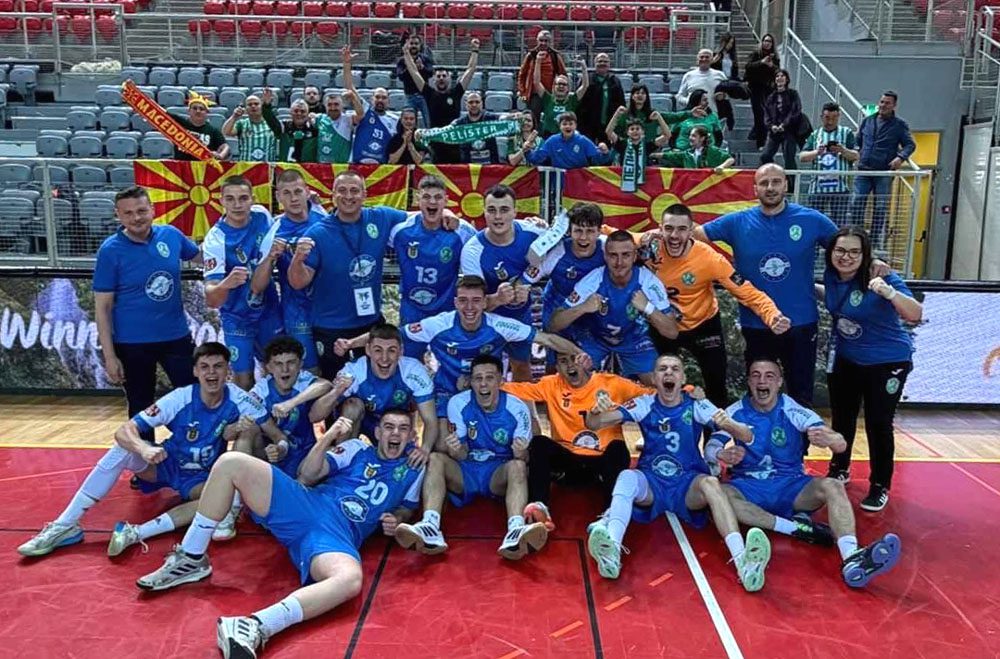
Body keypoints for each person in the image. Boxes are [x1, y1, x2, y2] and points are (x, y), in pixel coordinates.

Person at [133, 410, 426, 659]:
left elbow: (405, 509)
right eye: (389, 427)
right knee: (231, 462)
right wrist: (328, 437)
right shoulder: (357, 449)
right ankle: (191, 556)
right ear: (378, 432)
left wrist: (397, 519)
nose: (395, 433)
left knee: (350, 580)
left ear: (412, 436)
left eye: (403, 429)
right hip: (307, 504)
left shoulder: (415, 469)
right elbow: (307, 474)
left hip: (337, 536)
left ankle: (256, 625)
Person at [17, 342, 272, 558]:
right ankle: (65, 525)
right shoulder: (180, 398)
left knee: (217, 497)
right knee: (122, 449)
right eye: (205, 367)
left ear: (228, 371)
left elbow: (269, 428)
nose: (212, 373)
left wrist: (275, 445)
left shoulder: (239, 399)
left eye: (218, 366)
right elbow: (124, 431)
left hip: (201, 478)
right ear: (195, 371)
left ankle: (137, 532)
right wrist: (144, 448)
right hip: (166, 463)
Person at [710, 357, 903, 587]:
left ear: (779, 382)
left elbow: (840, 444)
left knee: (833, 485)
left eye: (769, 376)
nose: (762, 381)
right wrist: (721, 454)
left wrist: (831, 439)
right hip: (749, 487)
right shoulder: (735, 412)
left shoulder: (792, 409)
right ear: (749, 382)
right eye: (756, 375)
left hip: (791, 486)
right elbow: (711, 447)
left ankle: (851, 558)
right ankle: (796, 529)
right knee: (718, 496)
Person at [583, 354, 770, 590]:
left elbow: (747, 436)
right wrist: (595, 412)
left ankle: (744, 561)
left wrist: (729, 424)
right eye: (662, 369)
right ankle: (611, 551)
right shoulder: (644, 404)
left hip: (687, 483)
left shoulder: (697, 405)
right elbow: (594, 424)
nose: (669, 372)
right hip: (653, 482)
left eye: (675, 369)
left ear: (682, 378)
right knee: (626, 476)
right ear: (654, 378)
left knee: (711, 483)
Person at [695, 164, 838, 407]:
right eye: (764, 183)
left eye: (776, 182)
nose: (770, 188)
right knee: (759, 395)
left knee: (801, 394)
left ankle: (799, 434)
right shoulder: (737, 222)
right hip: (756, 324)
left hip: (801, 323)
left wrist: (874, 263)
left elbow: (847, 245)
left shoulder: (811, 219)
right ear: (755, 189)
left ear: (786, 185)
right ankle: (758, 433)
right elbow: (694, 235)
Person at [394, 355, 551, 559]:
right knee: (435, 458)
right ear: (471, 382)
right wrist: (455, 449)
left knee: (518, 466)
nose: (483, 383)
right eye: (478, 378)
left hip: (498, 473)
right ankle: (430, 525)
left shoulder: (517, 408)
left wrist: (521, 451)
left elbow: (523, 458)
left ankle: (516, 529)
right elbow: (460, 454)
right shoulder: (458, 403)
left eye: (489, 377)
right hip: (467, 469)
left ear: (500, 380)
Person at [395, 275, 583, 434]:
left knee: (525, 436)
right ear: (455, 303)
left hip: (487, 392)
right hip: (447, 392)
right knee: (442, 447)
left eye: (476, 300)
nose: (469, 307)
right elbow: (392, 335)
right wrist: (377, 352)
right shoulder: (437, 325)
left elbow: (548, 340)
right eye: (463, 300)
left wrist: (581, 354)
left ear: (485, 302)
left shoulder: (500, 325)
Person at [643, 204, 789, 408]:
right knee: (657, 384)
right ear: (660, 229)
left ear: (691, 230)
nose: (674, 236)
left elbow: (746, 291)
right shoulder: (647, 245)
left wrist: (772, 314)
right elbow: (610, 236)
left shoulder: (710, 258)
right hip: (663, 325)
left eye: (682, 229)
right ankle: (662, 427)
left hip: (703, 324)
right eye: (669, 229)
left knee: (716, 384)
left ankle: (717, 428)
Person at [821, 227, 921, 510]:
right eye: (841, 250)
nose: (846, 257)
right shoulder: (831, 276)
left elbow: (915, 313)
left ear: (865, 255)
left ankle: (879, 485)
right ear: (831, 253)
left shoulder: (882, 276)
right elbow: (836, 300)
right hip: (847, 359)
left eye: (855, 252)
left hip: (887, 361)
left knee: (878, 422)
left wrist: (890, 293)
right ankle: (839, 468)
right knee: (843, 418)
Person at [287, 171, 423, 379]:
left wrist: (448, 215)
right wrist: (297, 259)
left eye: (354, 190)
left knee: (375, 380)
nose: (348, 196)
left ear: (364, 194)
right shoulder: (317, 233)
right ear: (333, 195)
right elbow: (297, 283)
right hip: (331, 327)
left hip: (371, 324)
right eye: (342, 190)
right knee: (334, 384)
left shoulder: (381, 217)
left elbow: (419, 218)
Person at [93, 187, 201, 442]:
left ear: (152, 209)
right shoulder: (110, 250)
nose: (136, 218)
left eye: (141, 210)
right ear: (118, 215)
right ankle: (144, 459)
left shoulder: (171, 235)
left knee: (193, 396)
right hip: (132, 344)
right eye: (128, 213)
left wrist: (236, 251)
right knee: (140, 404)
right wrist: (110, 356)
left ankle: (196, 450)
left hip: (176, 337)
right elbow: (102, 308)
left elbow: (203, 257)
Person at [504, 352, 647, 506]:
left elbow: (652, 395)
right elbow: (516, 389)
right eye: (563, 361)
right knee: (539, 443)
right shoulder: (550, 384)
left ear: (585, 361)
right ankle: (538, 506)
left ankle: (611, 511)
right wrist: (490, 384)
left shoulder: (613, 383)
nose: (570, 365)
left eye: (574, 359)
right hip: (567, 465)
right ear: (557, 367)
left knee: (618, 448)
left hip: (603, 465)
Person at [549, 230, 679, 385]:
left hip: (634, 340)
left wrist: (648, 307)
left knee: (658, 383)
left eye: (626, 255)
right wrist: (583, 307)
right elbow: (553, 324)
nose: (619, 262)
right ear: (605, 256)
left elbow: (672, 332)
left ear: (634, 256)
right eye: (613, 255)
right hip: (594, 338)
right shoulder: (592, 281)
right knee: (576, 380)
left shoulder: (649, 282)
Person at [202, 176, 283, 390]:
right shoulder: (216, 239)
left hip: (268, 311)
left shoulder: (262, 215)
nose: (237, 205)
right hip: (237, 317)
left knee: (277, 372)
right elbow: (211, 297)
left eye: (243, 198)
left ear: (252, 199)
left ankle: (274, 412)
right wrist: (225, 284)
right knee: (244, 380)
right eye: (230, 199)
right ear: (221, 201)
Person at [460, 184, 547, 381]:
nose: (498, 217)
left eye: (504, 210)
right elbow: (472, 304)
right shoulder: (472, 251)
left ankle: (524, 403)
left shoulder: (534, 233)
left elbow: (559, 248)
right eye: (492, 210)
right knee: (485, 371)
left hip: (520, 315)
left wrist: (528, 285)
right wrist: (498, 299)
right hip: (486, 320)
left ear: (515, 212)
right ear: (484, 212)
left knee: (522, 367)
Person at [388, 175, 477, 358]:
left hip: (446, 308)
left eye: (438, 197)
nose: (432, 202)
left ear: (446, 200)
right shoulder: (400, 230)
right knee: (410, 359)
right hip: (412, 308)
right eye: (426, 197)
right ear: (418, 199)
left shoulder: (461, 230)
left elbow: (485, 244)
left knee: (451, 360)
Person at [252, 169, 325, 372]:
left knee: (334, 368)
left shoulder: (323, 218)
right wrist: (271, 257)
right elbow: (257, 286)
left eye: (298, 191)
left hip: (328, 309)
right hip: (297, 312)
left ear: (307, 192)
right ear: (278, 197)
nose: (293, 198)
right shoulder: (274, 232)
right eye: (286, 193)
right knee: (309, 372)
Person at [327, 323, 439, 452]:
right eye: (378, 350)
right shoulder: (354, 371)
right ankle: (343, 456)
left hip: (395, 424)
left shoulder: (414, 371)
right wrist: (336, 392)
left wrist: (424, 450)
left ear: (401, 351)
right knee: (352, 406)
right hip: (363, 420)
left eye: (391, 350)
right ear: (368, 350)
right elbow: (315, 415)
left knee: (408, 459)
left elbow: (430, 420)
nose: (384, 358)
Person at [250, 336, 335, 479]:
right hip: (272, 454)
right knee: (249, 429)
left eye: (291, 362)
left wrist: (291, 403)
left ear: (300, 364)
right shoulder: (261, 390)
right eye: (278, 363)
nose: (285, 369)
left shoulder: (303, 380)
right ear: (268, 367)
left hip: (305, 452)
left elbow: (325, 385)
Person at [850, 91, 916, 249]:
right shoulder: (868, 121)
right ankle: (857, 237)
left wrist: (900, 158)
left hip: (884, 171)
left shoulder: (899, 125)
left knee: (880, 206)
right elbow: (858, 140)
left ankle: (873, 242)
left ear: (894, 105)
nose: (883, 105)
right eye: (881, 102)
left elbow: (910, 144)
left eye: (887, 103)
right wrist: (857, 153)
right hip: (863, 169)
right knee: (857, 201)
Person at [408, 37, 481, 164]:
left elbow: (470, 69)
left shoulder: (456, 93)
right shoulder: (429, 93)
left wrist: (475, 51)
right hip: (436, 145)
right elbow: (413, 72)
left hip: (455, 144)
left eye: (444, 76)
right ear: (434, 79)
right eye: (438, 76)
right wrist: (406, 54)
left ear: (449, 78)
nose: (441, 78)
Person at [799, 102, 859, 227]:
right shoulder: (815, 135)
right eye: (827, 118)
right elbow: (802, 157)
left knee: (839, 225)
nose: (830, 122)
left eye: (834, 118)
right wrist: (817, 152)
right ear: (821, 117)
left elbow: (856, 156)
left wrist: (842, 150)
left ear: (838, 117)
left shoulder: (847, 133)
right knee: (814, 222)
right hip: (817, 188)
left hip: (840, 189)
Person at [342, 47, 399, 164]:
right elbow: (350, 87)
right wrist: (347, 63)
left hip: (381, 168)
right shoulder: (365, 109)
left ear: (389, 101)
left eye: (384, 98)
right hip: (358, 164)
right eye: (377, 97)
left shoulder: (395, 120)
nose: (380, 100)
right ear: (372, 99)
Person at [448, 92, 519, 164]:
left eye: (477, 102)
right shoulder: (460, 123)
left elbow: (502, 117)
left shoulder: (489, 118)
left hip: (490, 166)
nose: (474, 105)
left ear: (482, 104)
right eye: (471, 102)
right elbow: (448, 129)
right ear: (466, 105)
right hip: (468, 167)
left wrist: (513, 116)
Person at [606, 84, 688, 147]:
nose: (640, 95)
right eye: (637, 93)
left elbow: (673, 120)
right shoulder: (624, 114)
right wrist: (616, 114)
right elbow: (609, 132)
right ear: (632, 96)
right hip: (626, 148)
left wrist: (690, 113)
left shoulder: (653, 114)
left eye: (643, 93)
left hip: (647, 149)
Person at [525, 111, 611, 169]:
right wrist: (527, 150)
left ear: (575, 126)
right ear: (559, 126)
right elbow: (537, 158)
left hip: (579, 183)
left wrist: (605, 152)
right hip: (559, 184)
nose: (567, 126)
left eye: (570, 124)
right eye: (564, 124)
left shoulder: (583, 140)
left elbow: (598, 159)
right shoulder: (552, 141)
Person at [517, 30, 567, 128]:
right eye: (541, 40)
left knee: (550, 120)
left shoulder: (555, 56)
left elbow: (563, 74)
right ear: (537, 41)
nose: (543, 43)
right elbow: (522, 75)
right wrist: (523, 93)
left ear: (550, 42)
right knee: (533, 120)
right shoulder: (531, 55)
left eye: (546, 40)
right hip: (533, 95)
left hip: (550, 95)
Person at [760, 69, 802, 180]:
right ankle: (775, 176)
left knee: (789, 158)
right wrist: (771, 126)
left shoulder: (793, 94)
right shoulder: (771, 97)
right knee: (765, 156)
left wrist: (784, 124)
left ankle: (792, 185)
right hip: (774, 132)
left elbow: (795, 111)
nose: (779, 78)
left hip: (788, 131)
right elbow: (766, 114)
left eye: (782, 76)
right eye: (777, 76)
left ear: (787, 79)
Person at [577, 52, 627, 144]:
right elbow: (578, 101)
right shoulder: (587, 79)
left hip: (608, 124)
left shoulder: (615, 81)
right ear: (594, 64)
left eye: (605, 61)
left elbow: (621, 103)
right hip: (588, 124)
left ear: (609, 64)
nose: (602, 63)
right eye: (599, 61)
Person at [535, 56, 588, 138]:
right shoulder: (547, 98)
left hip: (567, 136)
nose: (561, 86)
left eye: (564, 84)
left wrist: (583, 67)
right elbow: (536, 82)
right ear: (554, 86)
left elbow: (585, 86)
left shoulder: (572, 100)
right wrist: (538, 61)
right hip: (548, 136)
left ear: (568, 88)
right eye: (559, 84)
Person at [745, 33, 780, 148]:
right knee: (759, 113)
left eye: (769, 41)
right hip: (755, 87)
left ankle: (755, 136)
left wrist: (772, 66)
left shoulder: (775, 57)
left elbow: (778, 72)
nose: (767, 43)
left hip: (768, 89)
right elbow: (748, 66)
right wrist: (761, 62)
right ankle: (760, 141)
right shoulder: (756, 54)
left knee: (765, 114)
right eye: (765, 41)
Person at [172, 91, 229, 161]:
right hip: (180, 166)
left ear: (207, 112)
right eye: (194, 108)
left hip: (204, 166)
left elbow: (225, 146)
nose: (198, 111)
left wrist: (220, 155)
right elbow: (162, 114)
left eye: (201, 109)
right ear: (189, 111)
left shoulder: (213, 130)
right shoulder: (178, 124)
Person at [395, 33, 435, 128]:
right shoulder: (402, 61)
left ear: (420, 45)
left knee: (429, 123)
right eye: (411, 43)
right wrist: (410, 67)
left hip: (425, 97)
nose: (413, 46)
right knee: (407, 125)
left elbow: (431, 73)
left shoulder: (425, 59)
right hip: (410, 96)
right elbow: (400, 76)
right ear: (408, 45)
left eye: (416, 44)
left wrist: (422, 68)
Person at [222, 94, 276, 162]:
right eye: (249, 105)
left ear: (262, 106)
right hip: (246, 167)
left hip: (267, 166)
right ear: (245, 109)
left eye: (256, 104)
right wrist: (234, 116)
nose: (253, 106)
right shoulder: (241, 123)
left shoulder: (272, 123)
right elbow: (226, 132)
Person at [659, 125, 735, 172]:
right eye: (690, 135)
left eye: (693, 136)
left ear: (702, 138)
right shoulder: (687, 154)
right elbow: (668, 155)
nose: (690, 138)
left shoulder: (712, 151)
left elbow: (730, 159)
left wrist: (721, 167)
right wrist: (652, 154)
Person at [676, 48, 729, 114]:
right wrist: (689, 101)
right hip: (693, 115)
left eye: (707, 57)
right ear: (697, 59)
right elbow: (679, 96)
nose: (704, 59)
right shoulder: (688, 75)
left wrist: (723, 96)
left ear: (712, 59)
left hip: (714, 115)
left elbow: (728, 94)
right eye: (701, 57)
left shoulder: (720, 75)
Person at [315, 92, 354, 164]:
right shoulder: (319, 119)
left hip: (342, 165)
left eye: (336, 104)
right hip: (322, 165)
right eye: (329, 105)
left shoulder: (348, 119)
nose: (333, 108)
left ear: (342, 106)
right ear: (325, 106)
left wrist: (354, 97)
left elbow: (361, 115)